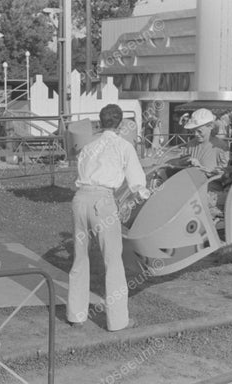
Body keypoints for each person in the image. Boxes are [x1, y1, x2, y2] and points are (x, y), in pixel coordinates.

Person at [67, 103, 150, 332]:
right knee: (112, 261)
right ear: (121, 124)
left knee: (80, 257)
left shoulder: (88, 146)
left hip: (80, 199)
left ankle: (76, 315)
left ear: (100, 122)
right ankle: (117, 321)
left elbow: (83, 170)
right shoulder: (123, 146)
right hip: (102, 201)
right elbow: (136, 181)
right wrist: (143, 194)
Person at [180, 108, 229, 177]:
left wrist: (200, 167)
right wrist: (184, 162)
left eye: (199, 131)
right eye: (193, 131)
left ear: (210, 127)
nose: (196, 134)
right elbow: (183, 165)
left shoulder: (220, 146)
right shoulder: (191, 144)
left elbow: (224, 174)